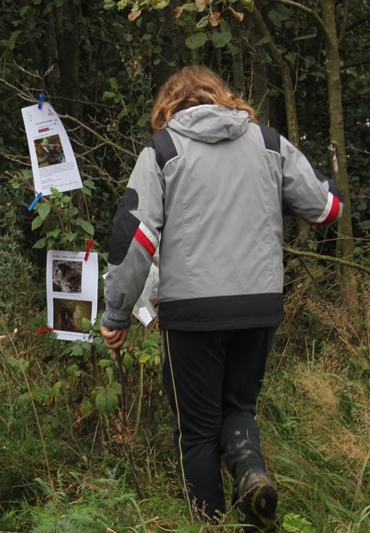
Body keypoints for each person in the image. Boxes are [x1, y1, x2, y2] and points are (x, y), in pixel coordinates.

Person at [98, 66, 343, 530]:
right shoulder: (268, 143)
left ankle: (209, 524)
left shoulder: (163, 150)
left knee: (196, 431)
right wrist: (329, 189)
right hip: (259, 306)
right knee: (239, 408)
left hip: (193, 314)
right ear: (224, 96)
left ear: (168, 106)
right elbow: (325, 208)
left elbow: (135, 237)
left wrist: (116, 314)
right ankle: (250, 475)